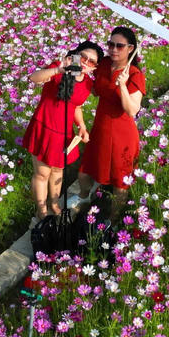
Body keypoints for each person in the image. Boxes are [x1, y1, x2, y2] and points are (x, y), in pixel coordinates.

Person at [20, 41, 103, 220]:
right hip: (44, 126)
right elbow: (34, 77)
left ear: (94, 68)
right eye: (83, 57)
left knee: (57, 171)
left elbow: (76, 106)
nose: (85, 62)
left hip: (64, 133)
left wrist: (81, 126)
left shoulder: (87, 83)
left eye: (91, 62)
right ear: (75, 54)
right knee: (42, 173)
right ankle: (41, 210)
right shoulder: (59, 68)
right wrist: (58, 70)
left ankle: (55, 203)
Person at [68, 26, 145, 217]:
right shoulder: (103, 65)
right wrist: (76, 75)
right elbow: (94, 87)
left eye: (120, 46)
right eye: (111, 44)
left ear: (130, 48)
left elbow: (132, 110)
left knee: (120, 181)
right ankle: (84, 196)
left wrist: (123, 86)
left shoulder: (135, 75)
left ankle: (114, 217)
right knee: (86, 171)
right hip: (101, 128)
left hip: (122, 134)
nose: (114, 49)